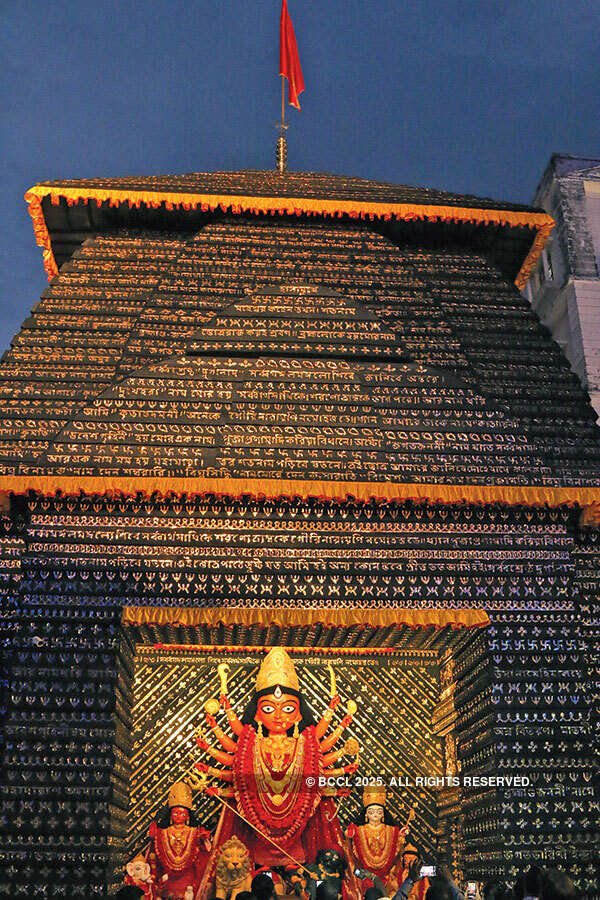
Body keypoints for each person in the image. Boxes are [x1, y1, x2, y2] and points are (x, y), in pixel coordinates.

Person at [192, 650, 362, 898]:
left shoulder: (308, 745)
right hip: (254, 837)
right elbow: (235, 776)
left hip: (298, 840)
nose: (280, 715)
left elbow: (318, 777)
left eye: (288, 707)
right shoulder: (248, 745)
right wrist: (213, 777)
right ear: (258, 713)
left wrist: (341, 773)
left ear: (299, 713)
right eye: (269, 708)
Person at [148, 780, 211, 899]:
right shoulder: (163, 832)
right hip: (168, 877)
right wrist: (154, 835)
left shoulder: (194, 832)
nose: (178, 817)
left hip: (189, 877)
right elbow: (154, 853)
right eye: (175, 813)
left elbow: (205, 852)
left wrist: (203, 839)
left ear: (187, 816)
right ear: (171, 815)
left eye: (182, 814)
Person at [346, 787, 412, 893]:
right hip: (365, 873)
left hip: (387, 873)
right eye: (371, 812)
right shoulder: (360, 830)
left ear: (383, 814)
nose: (375, 814)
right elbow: (351, 849)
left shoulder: (391, 830)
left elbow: (396, 847)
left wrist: (400, 836)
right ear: (366, 814)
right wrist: (349, 836)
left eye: (379, 811)